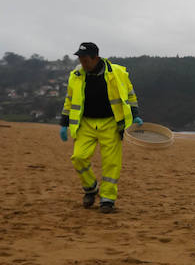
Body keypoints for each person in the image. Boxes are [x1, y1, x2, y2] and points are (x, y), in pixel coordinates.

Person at [59, 42, 142, 213]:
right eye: (80, 59)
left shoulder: (117, 73)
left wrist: (135, 115)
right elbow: (69, 100)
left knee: (111, 163)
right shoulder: (75, 75)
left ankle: (107, 200)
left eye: (85, 59)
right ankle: (90, 188)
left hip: (111, 123)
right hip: (86, 124)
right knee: (78, 157)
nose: (82, 62)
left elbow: (130, 94)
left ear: (95, 58)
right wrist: (64, 123)